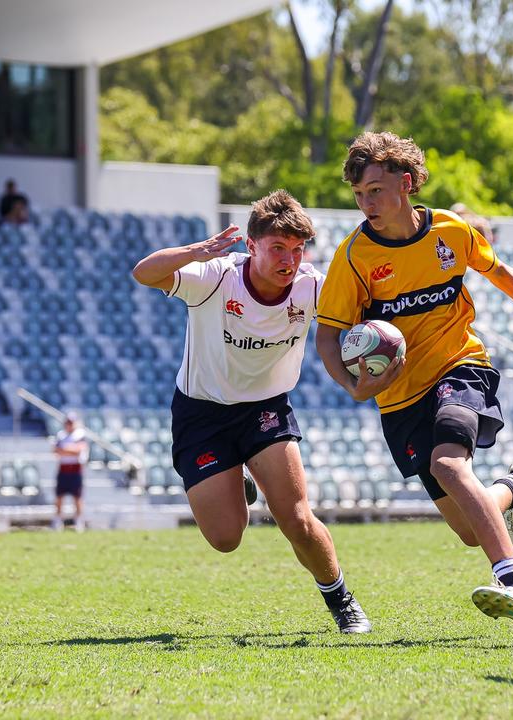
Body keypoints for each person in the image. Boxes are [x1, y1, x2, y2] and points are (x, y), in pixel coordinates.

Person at [315, 131, 513, 636]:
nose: (367, 203)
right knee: (468, 530)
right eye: (360, 195)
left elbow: (500, 271)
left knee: (448, 464)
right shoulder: (353, 257)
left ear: (406, 184)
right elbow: (328, 336)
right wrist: (353, 386)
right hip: (399, 398)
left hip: (461, 366)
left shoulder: (450, 231)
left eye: (376, 191)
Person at [132, 189, 372, 634]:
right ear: (251, 244)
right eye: (278, 248)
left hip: (265, 410)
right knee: (225, 538)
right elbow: (143, 272)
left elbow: (366, 315)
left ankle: (341, 599)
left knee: (296, 517)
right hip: (201, 414)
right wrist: (197, 250)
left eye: (297, 249)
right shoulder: (214, 277)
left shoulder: (312, 285)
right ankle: (235, 477)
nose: (290, 260)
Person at [52, 413, 88, 531]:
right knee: (59, 497)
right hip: (63, 469)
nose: (69, 425)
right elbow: (56, 450)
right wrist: (70, 449)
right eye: (68, 422)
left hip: (76, 470)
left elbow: (79, 450)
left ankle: (78, 521)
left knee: (77, 497)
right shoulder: (60, 435)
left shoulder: (80, 434)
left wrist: (65, 449)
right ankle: (58, 521)